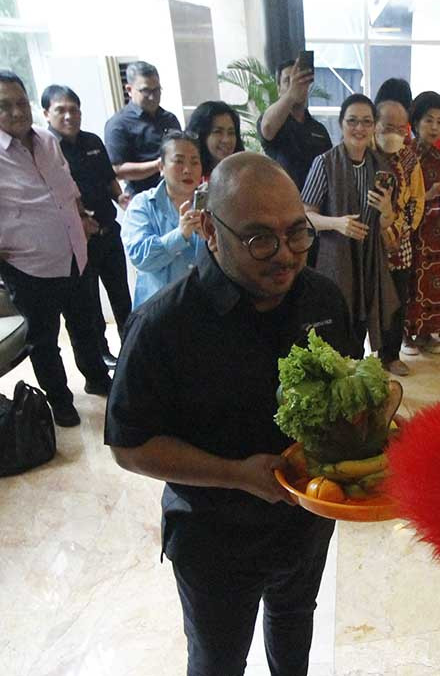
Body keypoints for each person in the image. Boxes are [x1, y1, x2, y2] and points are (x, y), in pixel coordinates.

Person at [106, 151, 357, 675]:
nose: (286, 255)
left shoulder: (324, 299)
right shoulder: (162, 326)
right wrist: (235, 475)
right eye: (260, 239)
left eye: (297, 233)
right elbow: (129, 446)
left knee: (293, 629)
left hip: (304, 523)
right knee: (218, 660)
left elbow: (343, 393)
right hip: (214, 538)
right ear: (209, 231)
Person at [0, 71, 111, 427]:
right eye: (4, 106)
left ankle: (96, 377)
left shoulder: (48, 141)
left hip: (75, 254)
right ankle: (60, 401)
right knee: (44, 341)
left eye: (20, 103)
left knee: (86, 326)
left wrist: (82, 218)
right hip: (28, 267)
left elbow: (68, 188)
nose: (17, 112)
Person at [42, 84, 132, 369]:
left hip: (108, 232)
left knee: (121, 297)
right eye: (61, 110)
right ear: (46, 113)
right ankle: (102, 354)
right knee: (89, 305)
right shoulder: (46, 150)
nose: (69, 116)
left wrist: (121, 198)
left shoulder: (93, 141)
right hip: (78, 242)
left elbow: (109, 178)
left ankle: (130, 348)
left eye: (74, 109)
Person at [301, 94, 399, 357]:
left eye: (366, 122)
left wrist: (387, 209)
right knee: (336, 328)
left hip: (370, 261)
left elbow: (386, 223)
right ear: (341, 124)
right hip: (336, 260)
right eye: (352, 121)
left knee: (362, 325)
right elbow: (305, 216)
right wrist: (337, 223)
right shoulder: (324, 164)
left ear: (374, 126)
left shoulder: (382, 168)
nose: (360, 128)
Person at [121, 130, 204, 308]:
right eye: (178, 161)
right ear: (161, 167)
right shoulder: (142, 205)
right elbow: (141, 257)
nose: (188, 170)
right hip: (158, 313)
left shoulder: (213, 203)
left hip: (204, 310)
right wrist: (180, 235)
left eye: (195, 162)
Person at [375, 98, 426, 376]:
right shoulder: (364, 154)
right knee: (367, 301)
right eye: (387, 126)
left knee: (396, 302)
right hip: (367, 244)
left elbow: (416, 200)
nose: (393, 133)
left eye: (400, 127)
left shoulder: (409, 159)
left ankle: (391, 355)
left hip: (400, 243)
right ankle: (363, 356)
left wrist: (398, 229)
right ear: (376, 125)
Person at [406, 91, 440, 353]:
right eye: (429, 120)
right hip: (412, 234)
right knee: (411, 283)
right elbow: (400, 200)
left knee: (433, 282)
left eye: (439, 121)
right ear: (415, 122)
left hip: (436, 234)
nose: (435, 127)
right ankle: (406, 336)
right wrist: (427, 196)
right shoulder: (405, 156)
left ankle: (427, 333)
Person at [104, 61, 182, 197]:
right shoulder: (118, 124)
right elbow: (117, 170)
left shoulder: (169, 119)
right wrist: (158, 164)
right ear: (129, 90)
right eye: (146, 91)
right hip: (144, 197)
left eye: (157, 90)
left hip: (177, 191)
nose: (152, 97)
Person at [258, 59, 332, 189]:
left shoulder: (319, 129)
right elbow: (267, 128)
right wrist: (292, 93)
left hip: (316, 205)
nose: (295, 85)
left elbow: (331, 167)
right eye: (288, 81)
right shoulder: (274, 122)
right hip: (284, 203)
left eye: (299, 80)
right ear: (279, 89)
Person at [185, 100, 243, 179]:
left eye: (231, 132)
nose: (226, 140)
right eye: (218, 132)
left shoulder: (244, 175)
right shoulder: (189, 177)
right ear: (202, 135)